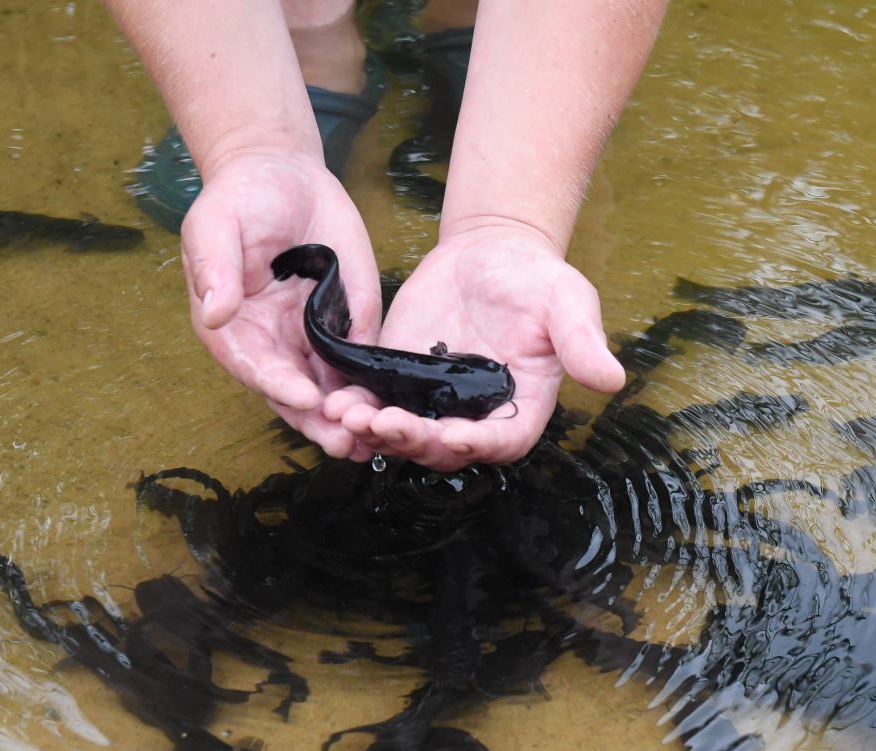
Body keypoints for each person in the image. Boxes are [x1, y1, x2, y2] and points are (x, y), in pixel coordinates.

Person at [101, 0, 666, 472]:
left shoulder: (444, 371)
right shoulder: (440, 381)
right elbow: (444, 380)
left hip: (362, 351)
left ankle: (484, 41)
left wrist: (512, 217)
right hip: (359, 353)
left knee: (529, 129)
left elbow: (446, 371)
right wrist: (250, 140)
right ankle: (305, 43)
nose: (500, 384)